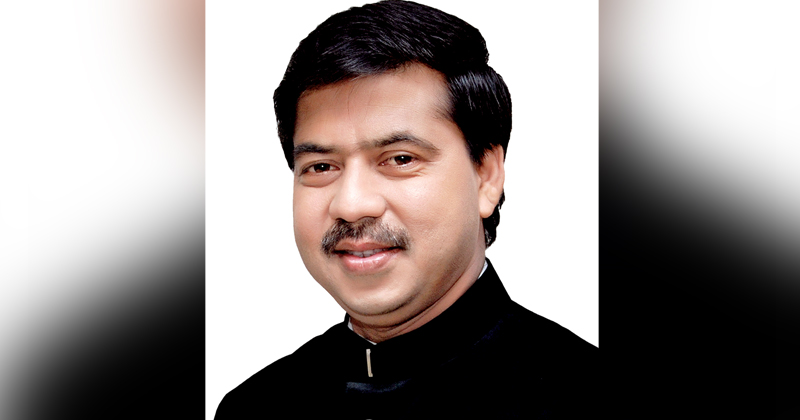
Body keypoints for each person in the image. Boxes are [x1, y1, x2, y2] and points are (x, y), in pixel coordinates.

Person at [214, 1, 598, 418]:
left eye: (400, 159)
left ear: (486, 176)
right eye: (321, 167)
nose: (351, 204)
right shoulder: (254, 408)